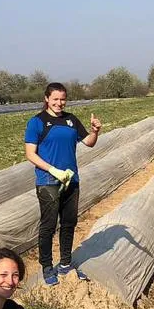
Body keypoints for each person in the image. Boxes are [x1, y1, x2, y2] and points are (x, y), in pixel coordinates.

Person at [25, 82, 102, 285]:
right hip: (48, 181)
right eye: (55, 99)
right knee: (48, 226)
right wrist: (52, 170)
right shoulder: (37, 122)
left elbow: (89, 143)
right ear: (47, 99)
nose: (59, 103)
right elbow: (30, 154)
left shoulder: (71, 120)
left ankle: (66, 263)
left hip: (71, 180)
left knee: (69, 223)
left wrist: (95, 131)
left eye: (63, 99)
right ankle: (47, 267)